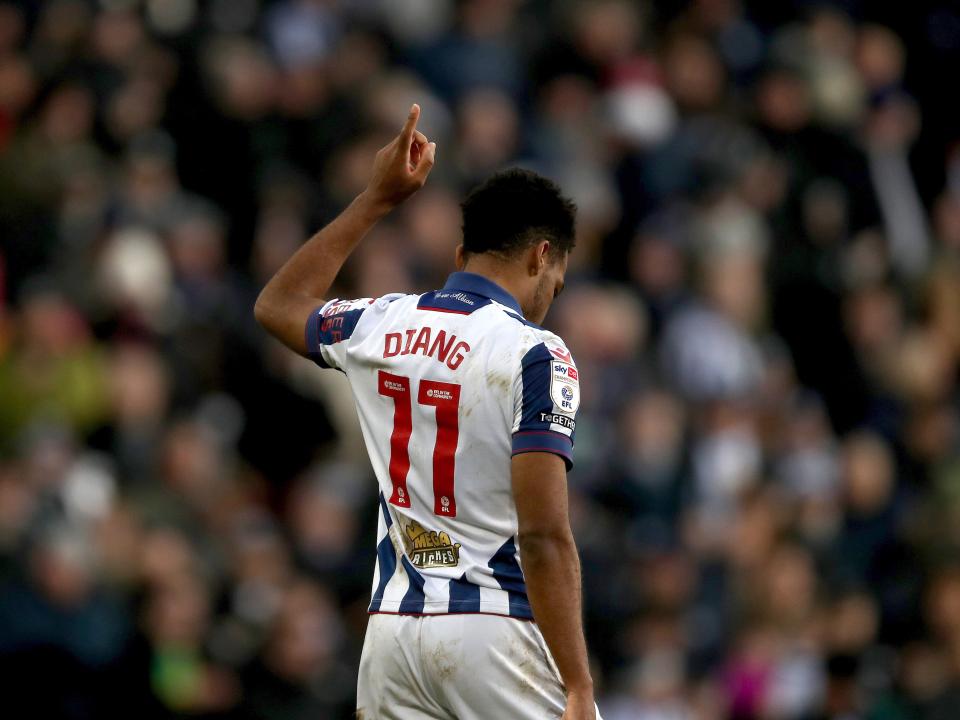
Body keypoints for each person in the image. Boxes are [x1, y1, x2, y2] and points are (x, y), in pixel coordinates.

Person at [255, 104, 600, 719]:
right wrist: (577, 682)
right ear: (540, 255)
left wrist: (375, 199)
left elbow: (278, 303)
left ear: (464, 251)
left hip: (392, 635)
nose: (552, 297)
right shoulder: (536, 353)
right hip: (495, 627)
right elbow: (544, 534)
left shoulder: (381, 322)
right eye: (559, 280)